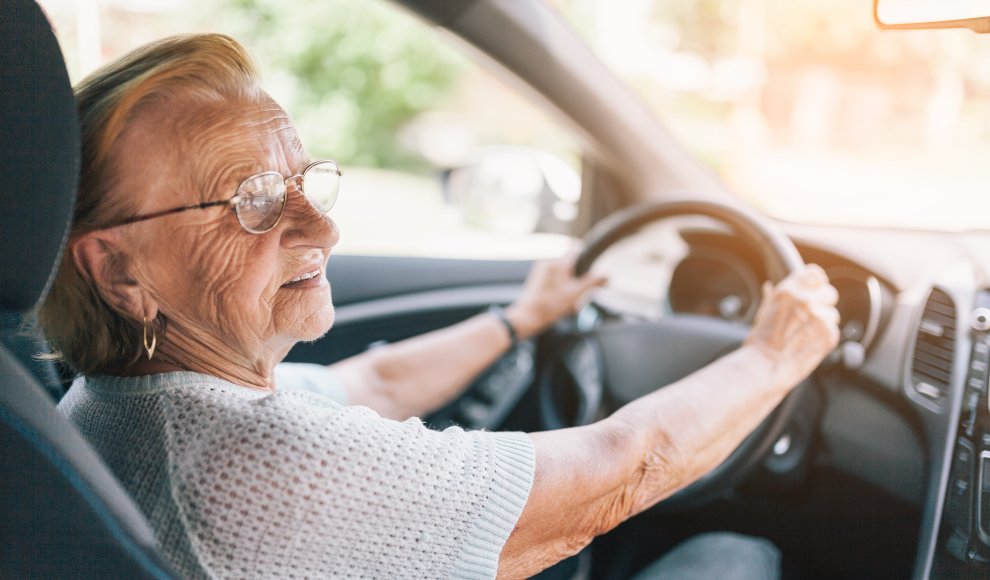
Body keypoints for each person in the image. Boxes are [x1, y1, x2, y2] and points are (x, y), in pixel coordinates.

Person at [41, 33, 840, 580]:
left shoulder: (115, 406)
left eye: (304, 181)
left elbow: (378, 382)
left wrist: (518, 321)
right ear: (118, 272)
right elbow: (615, 476)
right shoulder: (250, 462)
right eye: (251, 199)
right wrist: (775, 355)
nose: (321, 224)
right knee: (738, 556)